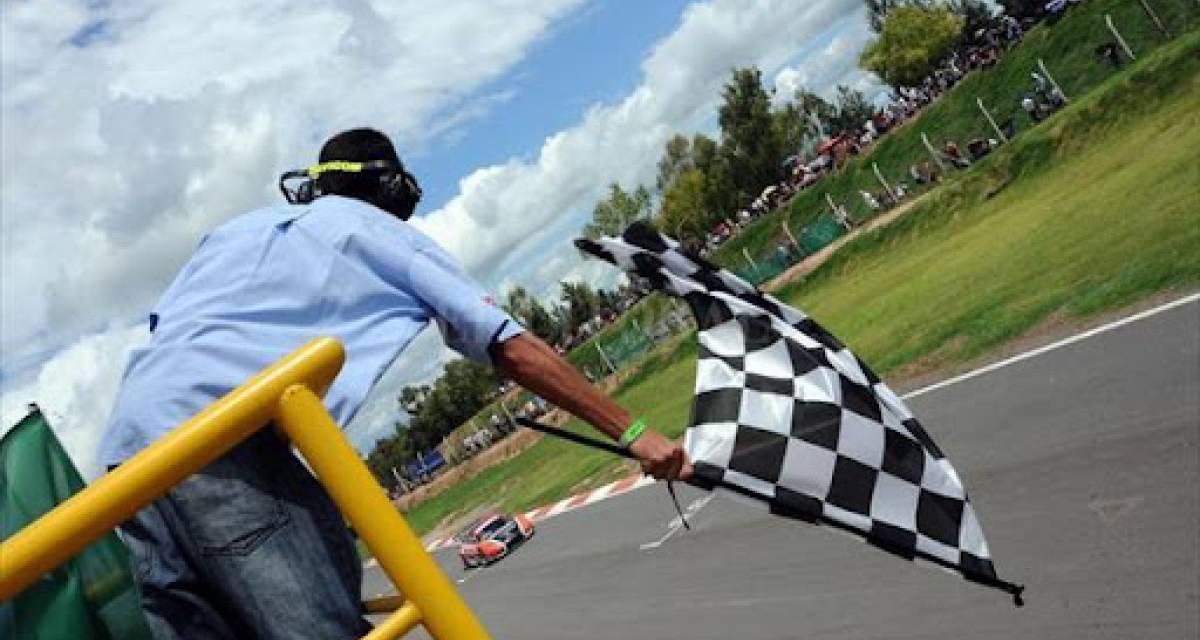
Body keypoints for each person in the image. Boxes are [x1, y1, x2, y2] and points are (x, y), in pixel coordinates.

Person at [99, 128, 691, 639]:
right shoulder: (375, 229)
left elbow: (167, 330)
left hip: (125, 463)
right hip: (221, 441)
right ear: (389, 190)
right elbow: (506, 344)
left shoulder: (234, 233)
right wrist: (633, 430)